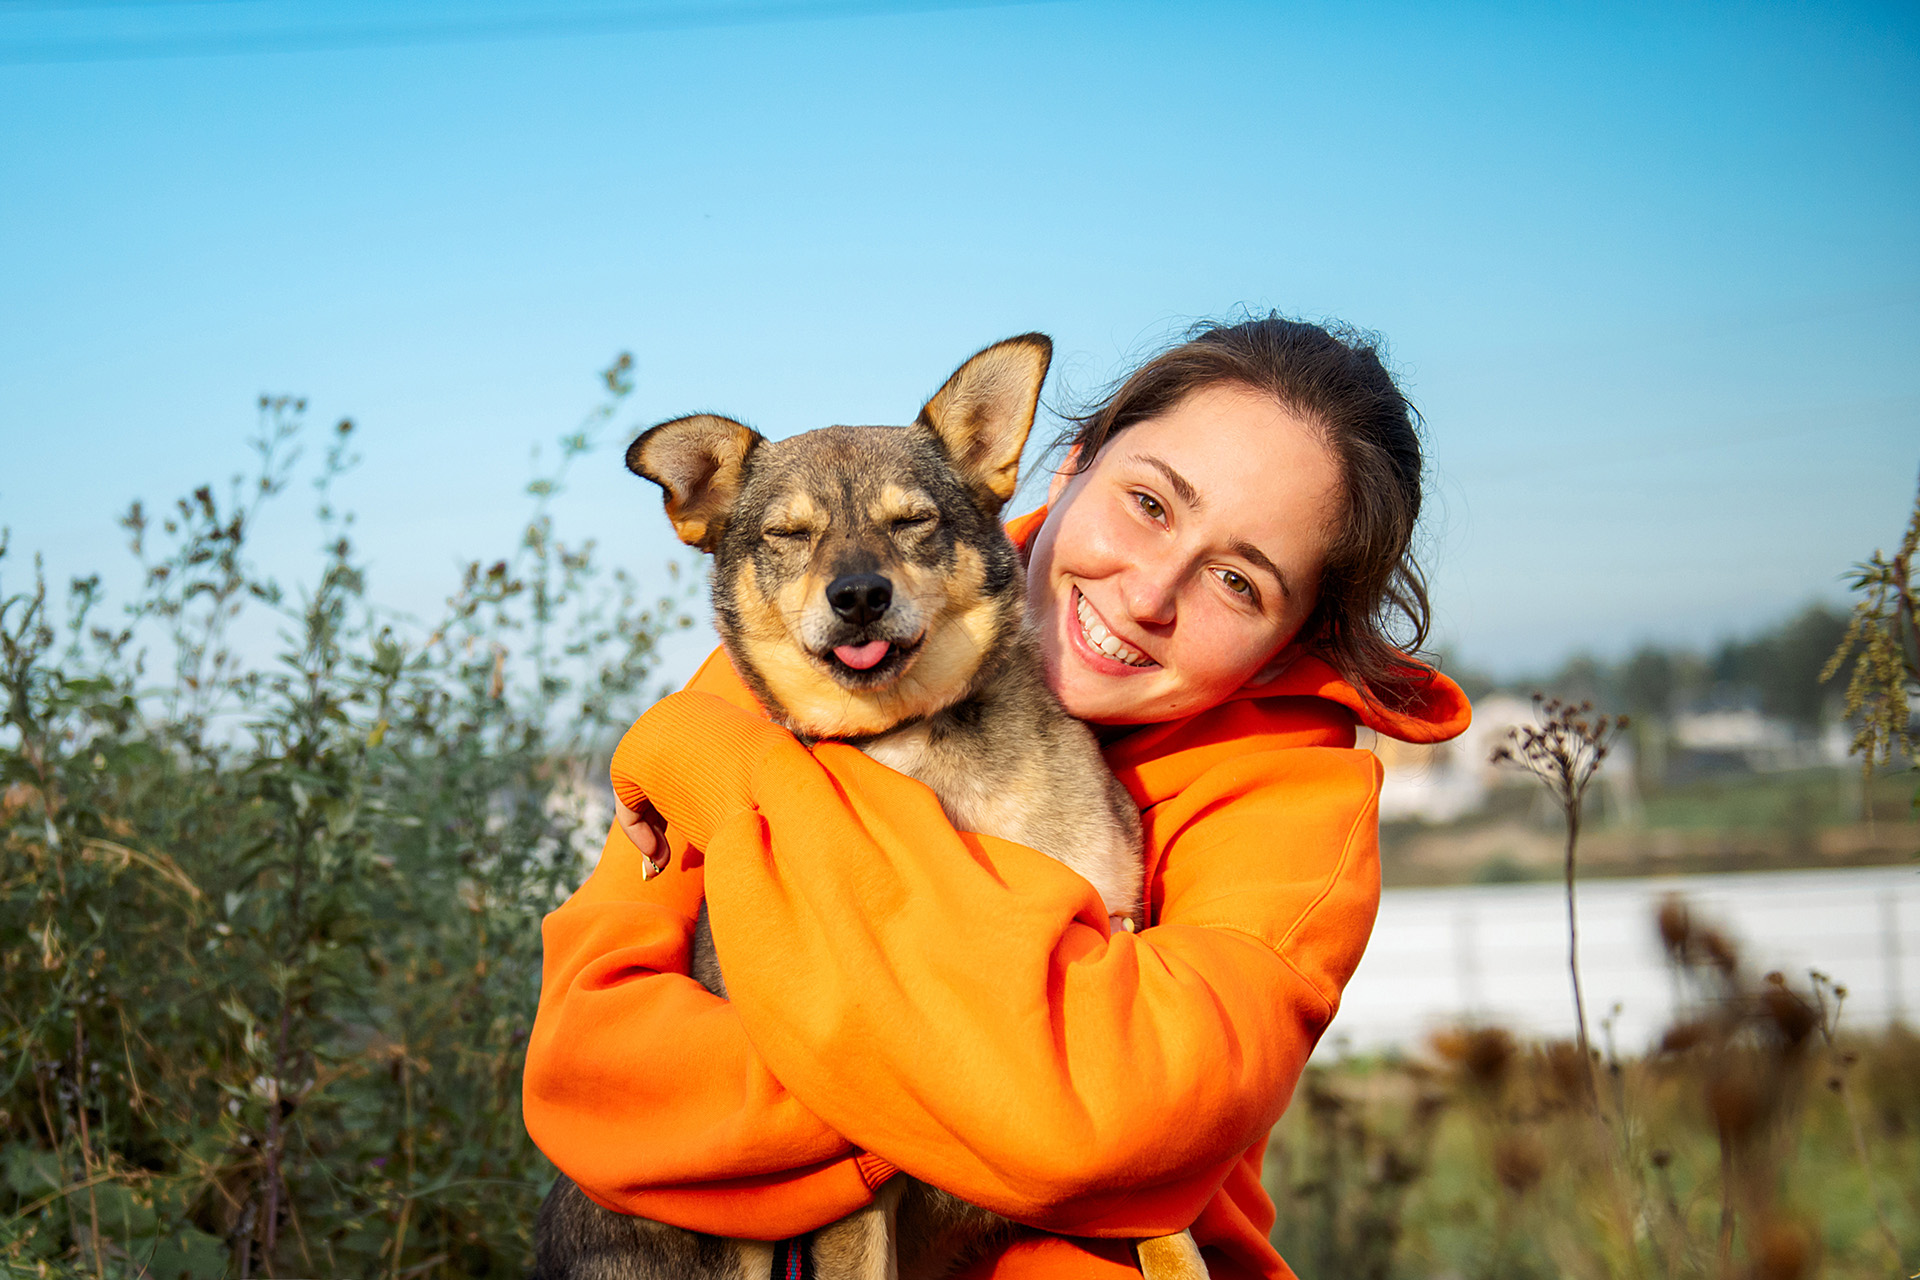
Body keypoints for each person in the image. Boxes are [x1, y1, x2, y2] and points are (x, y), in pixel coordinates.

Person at [522, 315, 1472, 1279]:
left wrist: (728, 775)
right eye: (1149, 503)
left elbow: (1095, 1121)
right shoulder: (815, 662)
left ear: (1304, 627)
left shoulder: (1294, 812)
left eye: (1237, 579)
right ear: (1067, 469)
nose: (1149, 593)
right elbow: (587, 1080)